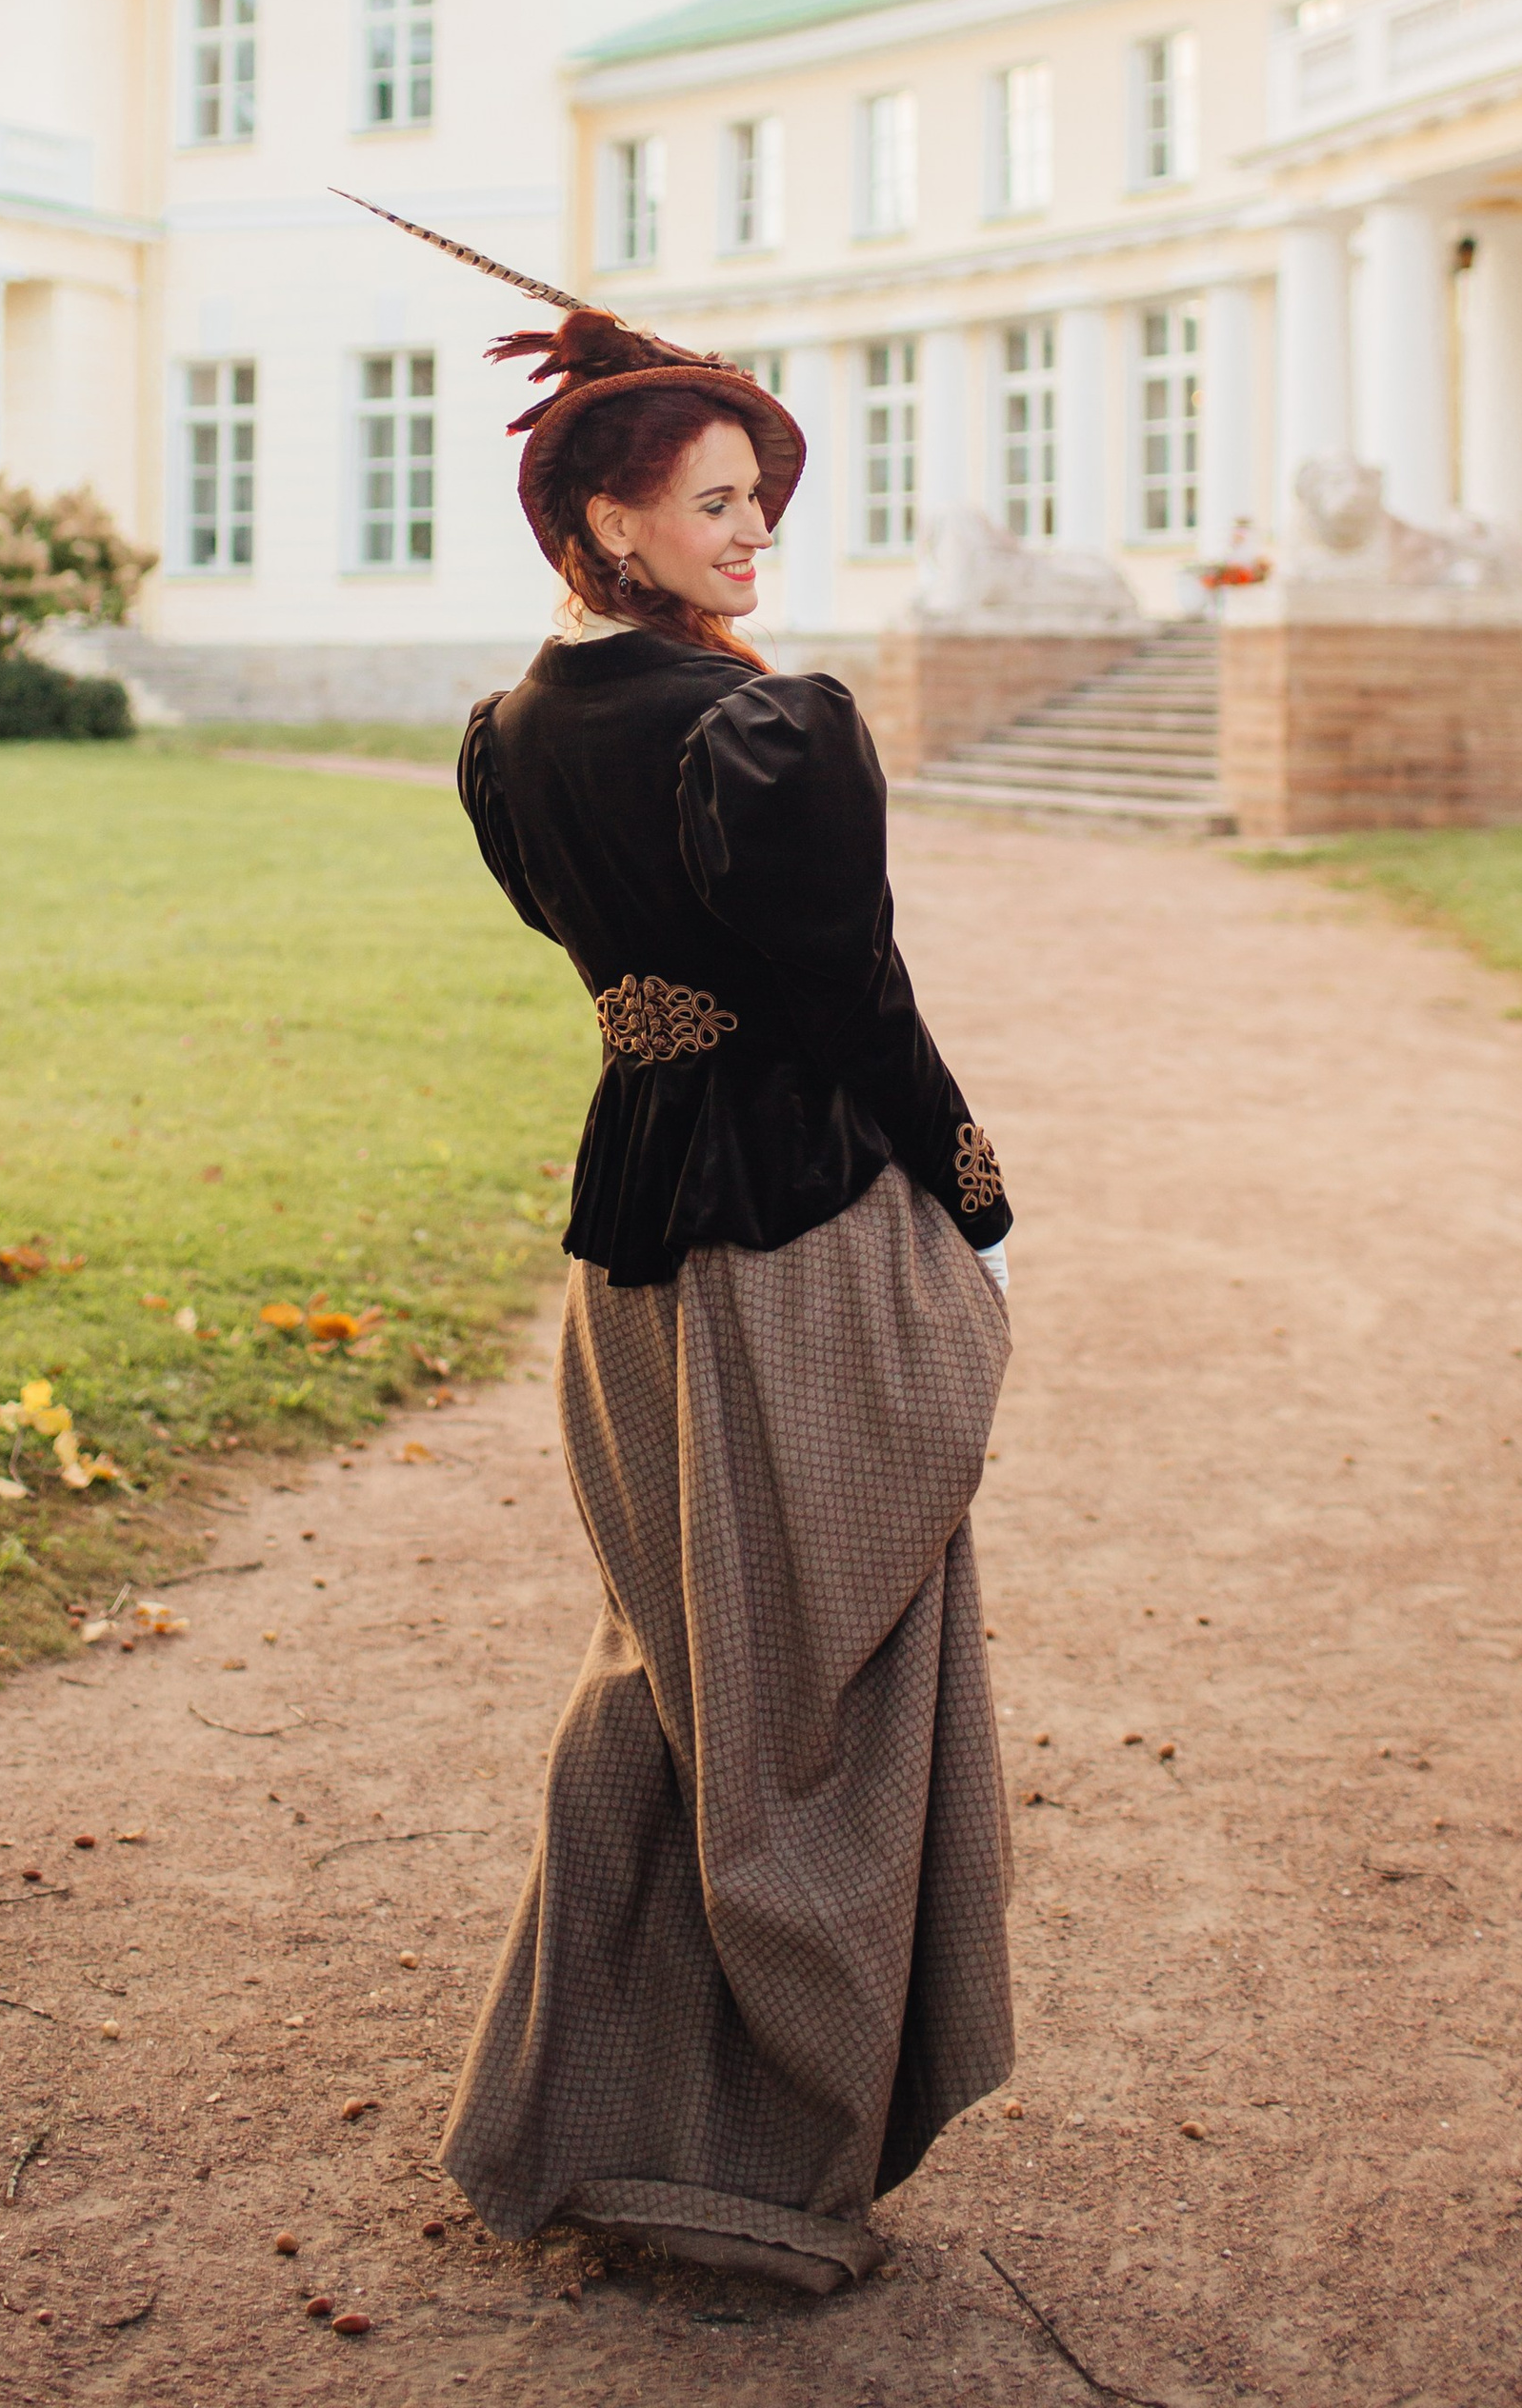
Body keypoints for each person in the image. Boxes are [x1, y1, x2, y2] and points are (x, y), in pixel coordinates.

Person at [355, 237, 1016, 2299]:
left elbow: (640, 980)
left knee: (674, 1660)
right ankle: (756, 2148)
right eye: (717, 502)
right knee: (818, 1684)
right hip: (798, 1243)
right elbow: (846, 996)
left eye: (761, 503)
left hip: (624, 1249)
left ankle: (597, 2112)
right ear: (603, 519)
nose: (752, 539)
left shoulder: (502, 735)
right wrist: (971, 1194)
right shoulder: (769, 731)